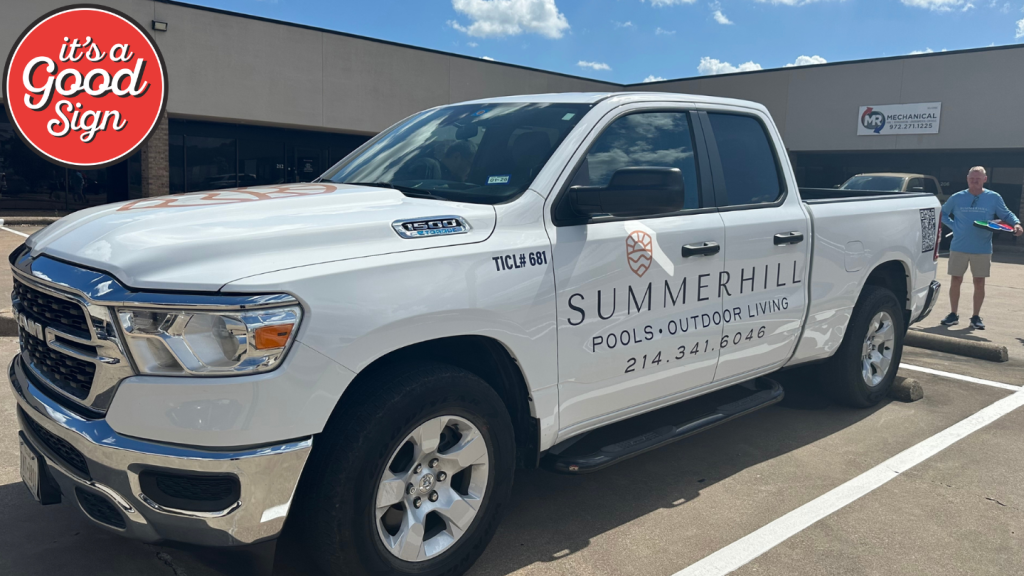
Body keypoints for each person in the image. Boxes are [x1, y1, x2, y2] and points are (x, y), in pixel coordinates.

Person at [939, 166, 1023, 329]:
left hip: (982, 248)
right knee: (956, 279)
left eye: (978, 178)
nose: (974, 181)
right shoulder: (957, 197)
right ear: (967, 179)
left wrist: (1017, 224)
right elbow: (943, 213)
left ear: (984, 179)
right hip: (959, 246)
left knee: (979, 281)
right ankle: (953, 314)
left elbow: (1006, 214)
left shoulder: (993, 197)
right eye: (971, 178)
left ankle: (976, 317)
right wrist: (954, 226)